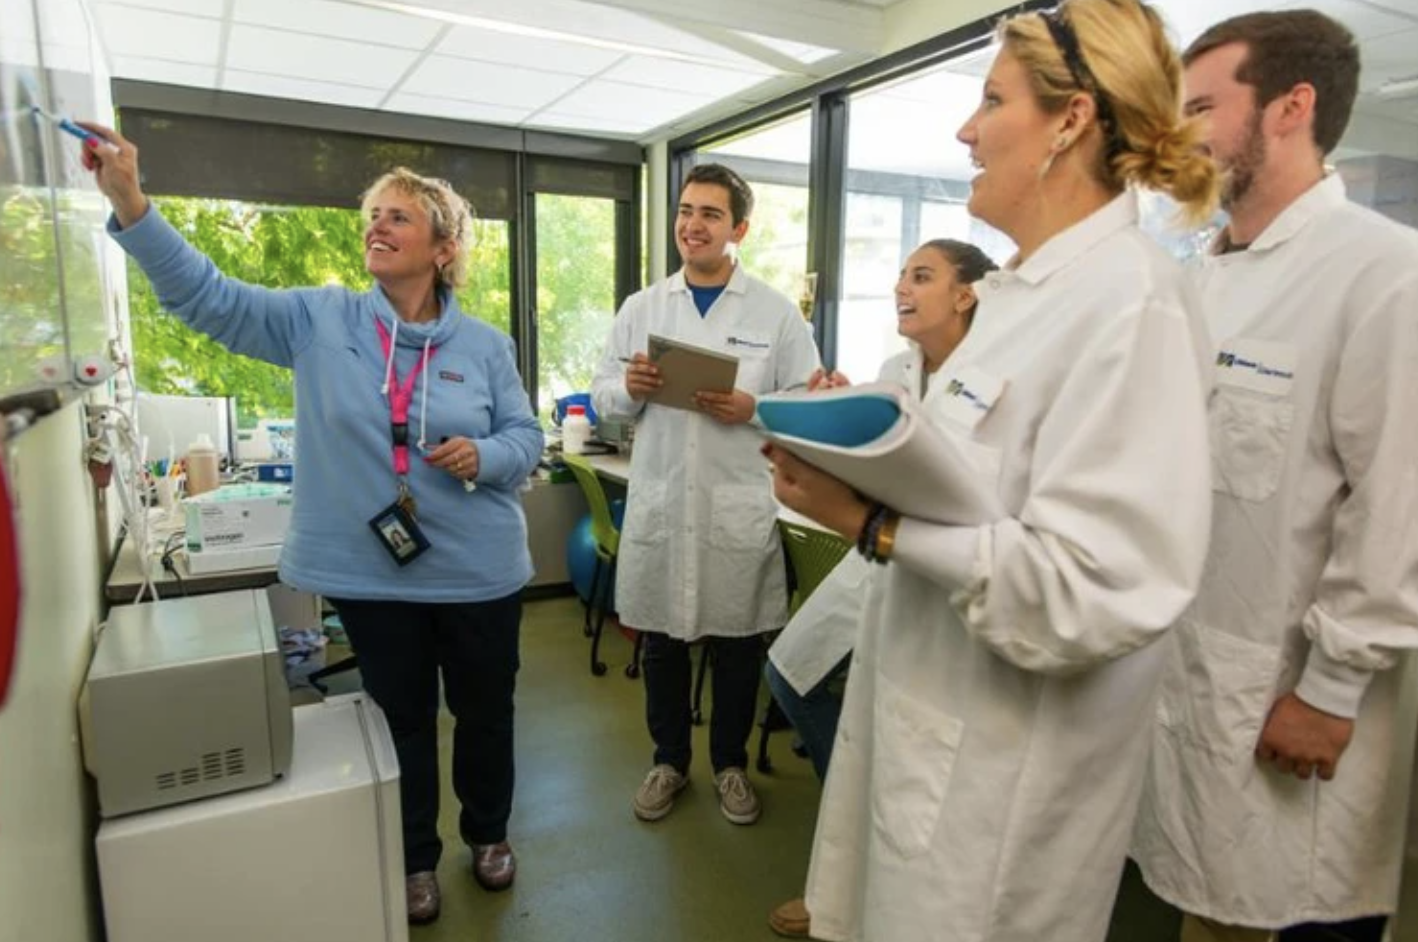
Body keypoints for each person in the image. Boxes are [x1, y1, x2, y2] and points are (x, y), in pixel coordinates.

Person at [763, 0, 1221, 936]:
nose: (966, 131)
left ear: (1070, 121)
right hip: (926, 723)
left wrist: (872, 524)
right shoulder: (1017, 298)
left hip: (1002, 790)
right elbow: (974, 494)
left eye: (991, 101)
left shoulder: (1132, 305)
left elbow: (1094, 590)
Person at [81, 129, 544, 926]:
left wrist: (488, 453)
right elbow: (208, 298)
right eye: (372, 215)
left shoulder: (486, 345)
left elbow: (528, 440)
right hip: (376, 574)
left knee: (486, 713)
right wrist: (131, 201)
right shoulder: (318, 321)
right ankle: (413, 857)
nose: (377, 227)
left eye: (399, 217)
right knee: (397, 718)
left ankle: (490, 833)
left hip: (479, 568)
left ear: (443, 247)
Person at [1130, 12, 1418, 942]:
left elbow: (1398, 507)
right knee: (1204, 912)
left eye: (1203, 107)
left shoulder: (1384, 273)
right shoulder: (1202, 276)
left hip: (1293, 711)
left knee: (1284, 911)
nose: (1183, 137)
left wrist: (1331, 691)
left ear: (1292, 107)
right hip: (1193, 687)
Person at [765, 238, 998, 939]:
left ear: (966, 295)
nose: (902, 288)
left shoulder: (995, 376)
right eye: (900, 276)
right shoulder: (895, 370)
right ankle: (852, 846)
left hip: (941, 575)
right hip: (873, 559)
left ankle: (867, 870)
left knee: (909, 736)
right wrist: (833, 420)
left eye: (921, 277)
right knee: (789, 674)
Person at [591, 163, 819, 827]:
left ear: (738, 229)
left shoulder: (776, 315)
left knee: (738, 644)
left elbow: (806, 405)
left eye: (710, 214)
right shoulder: (642, 308)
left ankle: (729, 766)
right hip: (665, 498)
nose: (692, 224)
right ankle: (668, 760)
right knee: (659, 643)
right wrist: (628, 390)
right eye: (686, 211)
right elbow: (604, 396)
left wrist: (753, 405)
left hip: (735, 504)